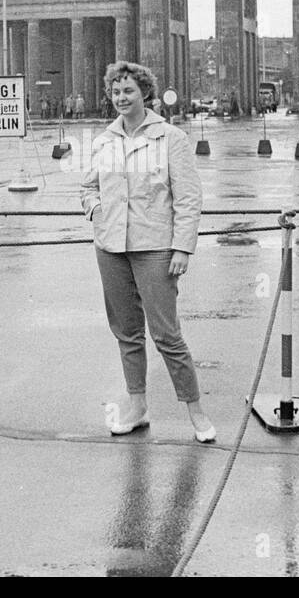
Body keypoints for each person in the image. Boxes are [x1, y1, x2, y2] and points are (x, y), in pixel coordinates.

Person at [80, 61, 216, 444]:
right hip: (110, 247)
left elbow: (188, 197)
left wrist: (182, 247)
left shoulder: (170, 138)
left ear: (145, 94)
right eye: (115, 92)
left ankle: (196, 411)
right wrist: (95, 210)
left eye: (128, 91)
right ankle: (137, 407)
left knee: (167, 335)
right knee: (127, 332)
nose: (121, 99)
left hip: (156, 248)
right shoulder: (105, 140)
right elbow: (88, 186)